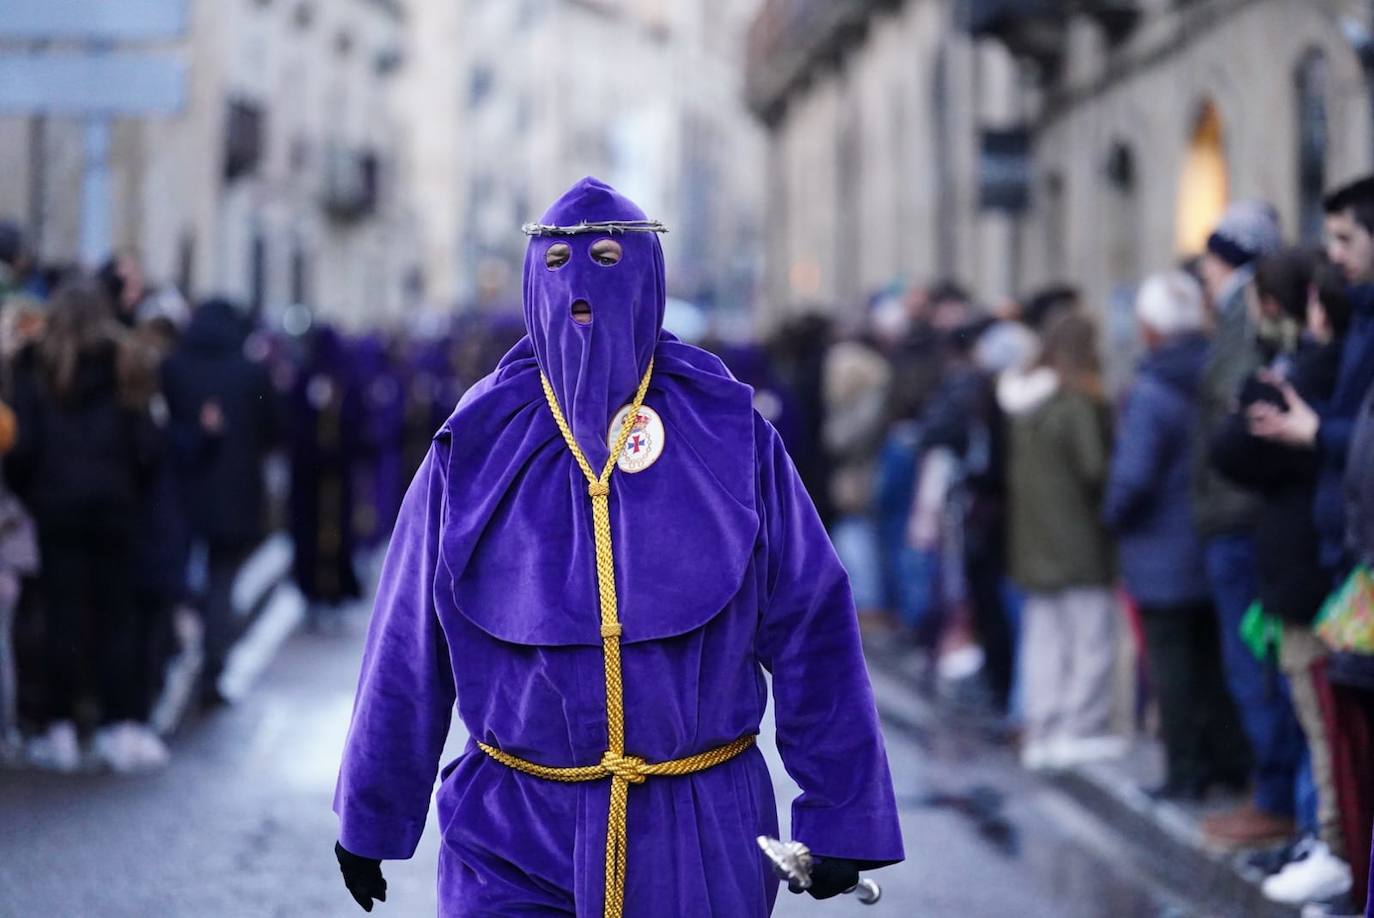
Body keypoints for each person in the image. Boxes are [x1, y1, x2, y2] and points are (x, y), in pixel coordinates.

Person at [332, 178, 903, 916]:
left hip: (697, 828)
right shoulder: (470, 445)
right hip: (512, 830)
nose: (579, 292)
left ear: (646, 275)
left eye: (604, 258)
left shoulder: (731, 434)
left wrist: (841, 811)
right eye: (558, 263)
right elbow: (409, 637)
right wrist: (373, 809)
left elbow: (811, 620)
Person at [6, 280, 162, 772]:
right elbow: (147, 445)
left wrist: (34, 493)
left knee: (62, 618)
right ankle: (120, 726)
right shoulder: (126, 362)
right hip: (116, 506)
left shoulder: (38, 365)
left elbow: (22, 447)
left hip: (56, 506)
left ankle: (60, 729)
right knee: (118, 617)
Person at [1105, 270, 1248, 801]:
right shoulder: (1212, 371)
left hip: (1160, 551)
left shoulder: (1151, 388)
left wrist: (1112, 515)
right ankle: (1228, 763)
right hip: (1209, 538)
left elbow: (1133, 476)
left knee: (1172, 669)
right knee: (1213, 662)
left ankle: (1186, 771)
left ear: (1149, 329)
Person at [1190, 201, 1305, 849]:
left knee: (1256, 664)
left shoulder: (1242, 315)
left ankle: (1277, 801)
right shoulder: (1232, 313)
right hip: (1233, 513)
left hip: (1240, 514)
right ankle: (1274, 795)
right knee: (1254, 664)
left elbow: (1238, 409)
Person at [1000, 311, 1120, 769]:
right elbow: (1095, 471)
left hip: (1031, 542)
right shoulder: (1076, 404)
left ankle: (1042, 729)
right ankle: (1079, 726)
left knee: (1043, 640)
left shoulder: (1023, 404)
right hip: (1078, 538)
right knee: (1090, 638)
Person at [162, 298, 277, 707]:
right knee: (220, 584)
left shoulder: (174, 367)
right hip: (235, 495)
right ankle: (212, 665)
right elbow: (273, 430)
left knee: (179, 577)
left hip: (182, 493)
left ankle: (173, 653)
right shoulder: (249, 371)